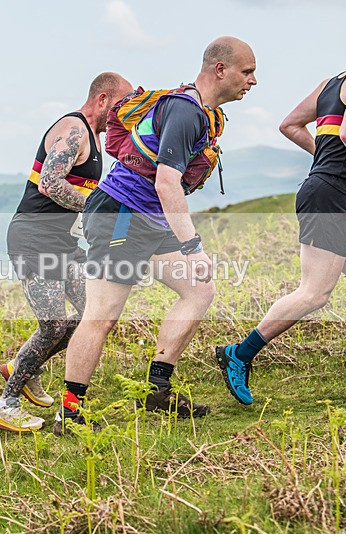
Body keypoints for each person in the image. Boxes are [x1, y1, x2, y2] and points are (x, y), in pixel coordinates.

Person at [55, 37, 257, 435]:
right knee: (102, 316)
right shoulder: (186, 112)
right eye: (247, 72)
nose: (253, 81)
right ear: (220, 69)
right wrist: (193, 247)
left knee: (199, 291)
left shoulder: (200, 111)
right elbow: (168, 183)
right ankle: (70, 412)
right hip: (120, 215)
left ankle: (157, 389)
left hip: (148, 219)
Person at [217, 23, 346, 405]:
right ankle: (239, 353)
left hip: (337, 195)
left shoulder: (332, 83)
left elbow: (289, 125)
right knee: (314, 293)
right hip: (331, 196)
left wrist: (326, 161)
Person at [0, 73, 134, 432]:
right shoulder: (74, 129)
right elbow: (51, 182)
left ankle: (23, 365)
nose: (125, 112)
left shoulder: (97, 139)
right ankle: (5, 403)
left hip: (64, 243)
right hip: (33, 237)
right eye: (121, 104)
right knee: (53, 324)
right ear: (102, 99)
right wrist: (95, 206)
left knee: (93, 316)